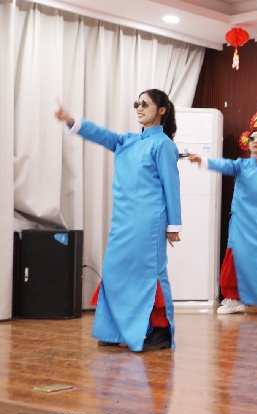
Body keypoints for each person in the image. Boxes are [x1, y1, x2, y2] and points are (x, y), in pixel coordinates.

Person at [55, 89, 182, 353]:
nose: (139, 107)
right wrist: (71, 120)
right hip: (123, 220)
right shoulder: (128, 140)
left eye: (145, 103)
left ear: (161, 110)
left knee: (148, 273)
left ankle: (159, 330)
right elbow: (101, 134)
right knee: (114, 271)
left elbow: (172, 186)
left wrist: (173, 225)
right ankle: (114, 330)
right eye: (137, 103)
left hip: (148, 222)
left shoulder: (163, 145)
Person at [187, 129, 257, 317]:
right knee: (235, 258)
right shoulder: (241, 165)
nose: (255, 141)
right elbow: (223, 164)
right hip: (240, 222)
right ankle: (235, 300)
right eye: (252, 139)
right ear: (248, 144)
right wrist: (202, 159)